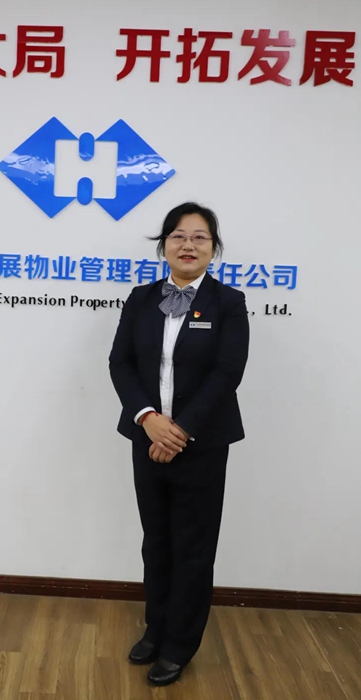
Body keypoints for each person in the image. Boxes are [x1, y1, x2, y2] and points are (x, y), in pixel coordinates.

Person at [108, 202, 250, 687]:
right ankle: (156, 628)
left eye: (200, 237)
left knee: (193, 546)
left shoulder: (228, 302)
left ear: (214, 248)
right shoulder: (141, 298)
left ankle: (179, 644)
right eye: (178, 236)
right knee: (156, 542)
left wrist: (180, 430)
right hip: (146, 438)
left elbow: (227, 372)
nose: (188, 245)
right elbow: (121, 363)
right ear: (164, 245)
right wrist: (148, 419)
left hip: (202, 443)